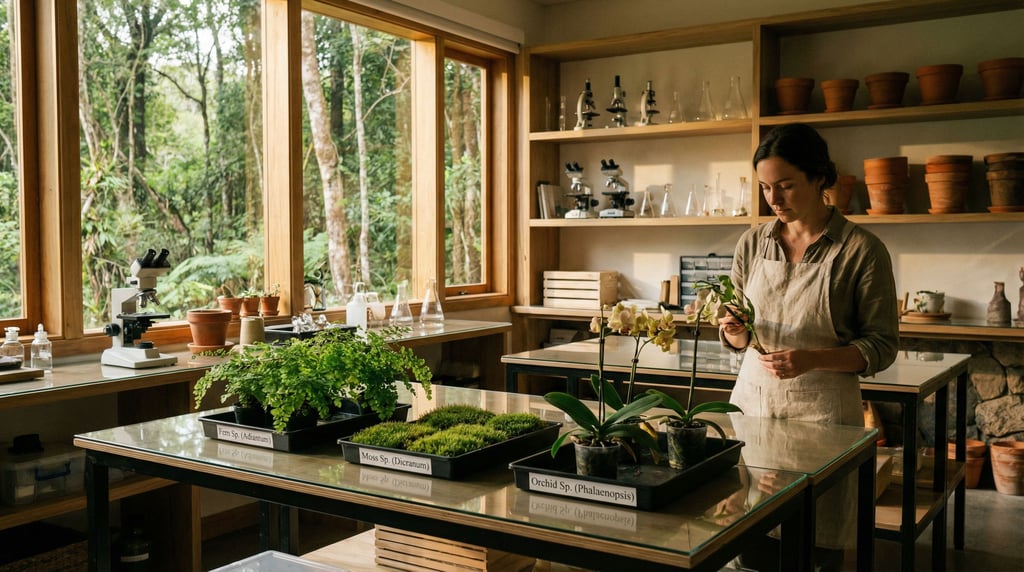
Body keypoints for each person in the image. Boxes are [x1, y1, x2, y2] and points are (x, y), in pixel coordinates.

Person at [719, 123, 899, 571]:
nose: (774, 200)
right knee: (751, 542)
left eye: (785, 186)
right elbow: (737, 336)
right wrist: (734, 329)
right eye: (765, 188)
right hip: (754, 410)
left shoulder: (861, 249)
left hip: (821, 419)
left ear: (820, 178)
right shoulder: (752, 243)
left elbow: (881, 345)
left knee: (813, 544)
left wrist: (812, 359)